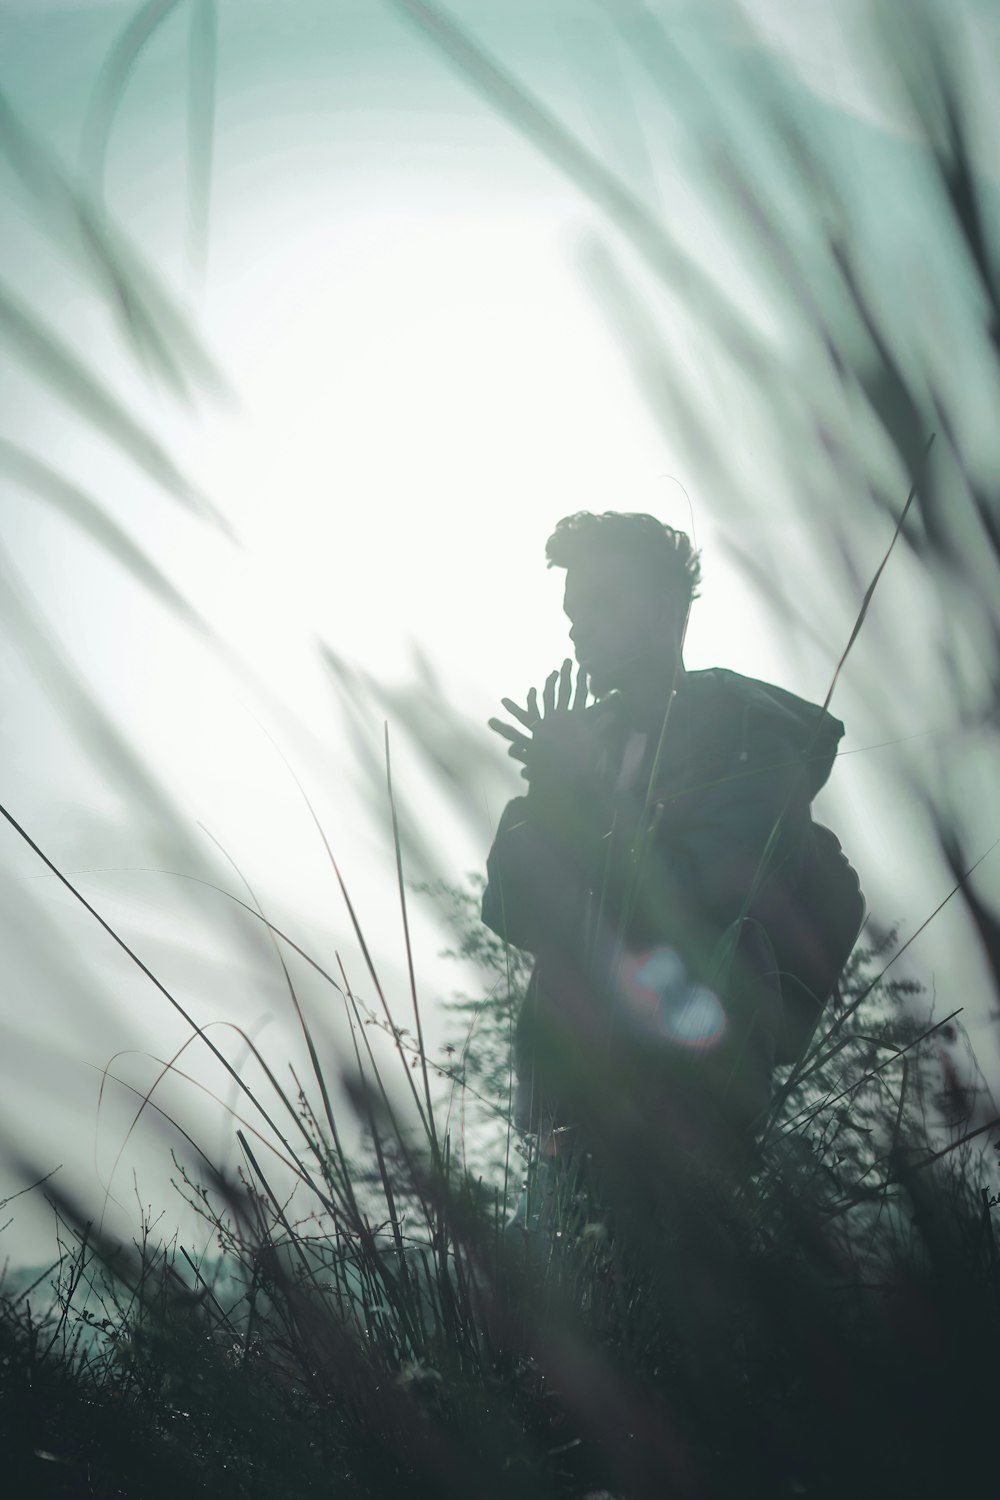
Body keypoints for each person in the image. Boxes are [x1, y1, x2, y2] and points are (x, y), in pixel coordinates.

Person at [482, 512, 864, 1228]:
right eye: (572, 611)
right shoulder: (587, 741)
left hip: (686, 1132)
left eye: (602, 603)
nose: (578, 628)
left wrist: (584, 802)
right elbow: (509, 909)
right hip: (566, 1130)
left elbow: (687, 904)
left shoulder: (748, 740)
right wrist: (554, 795)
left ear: (662, 609)